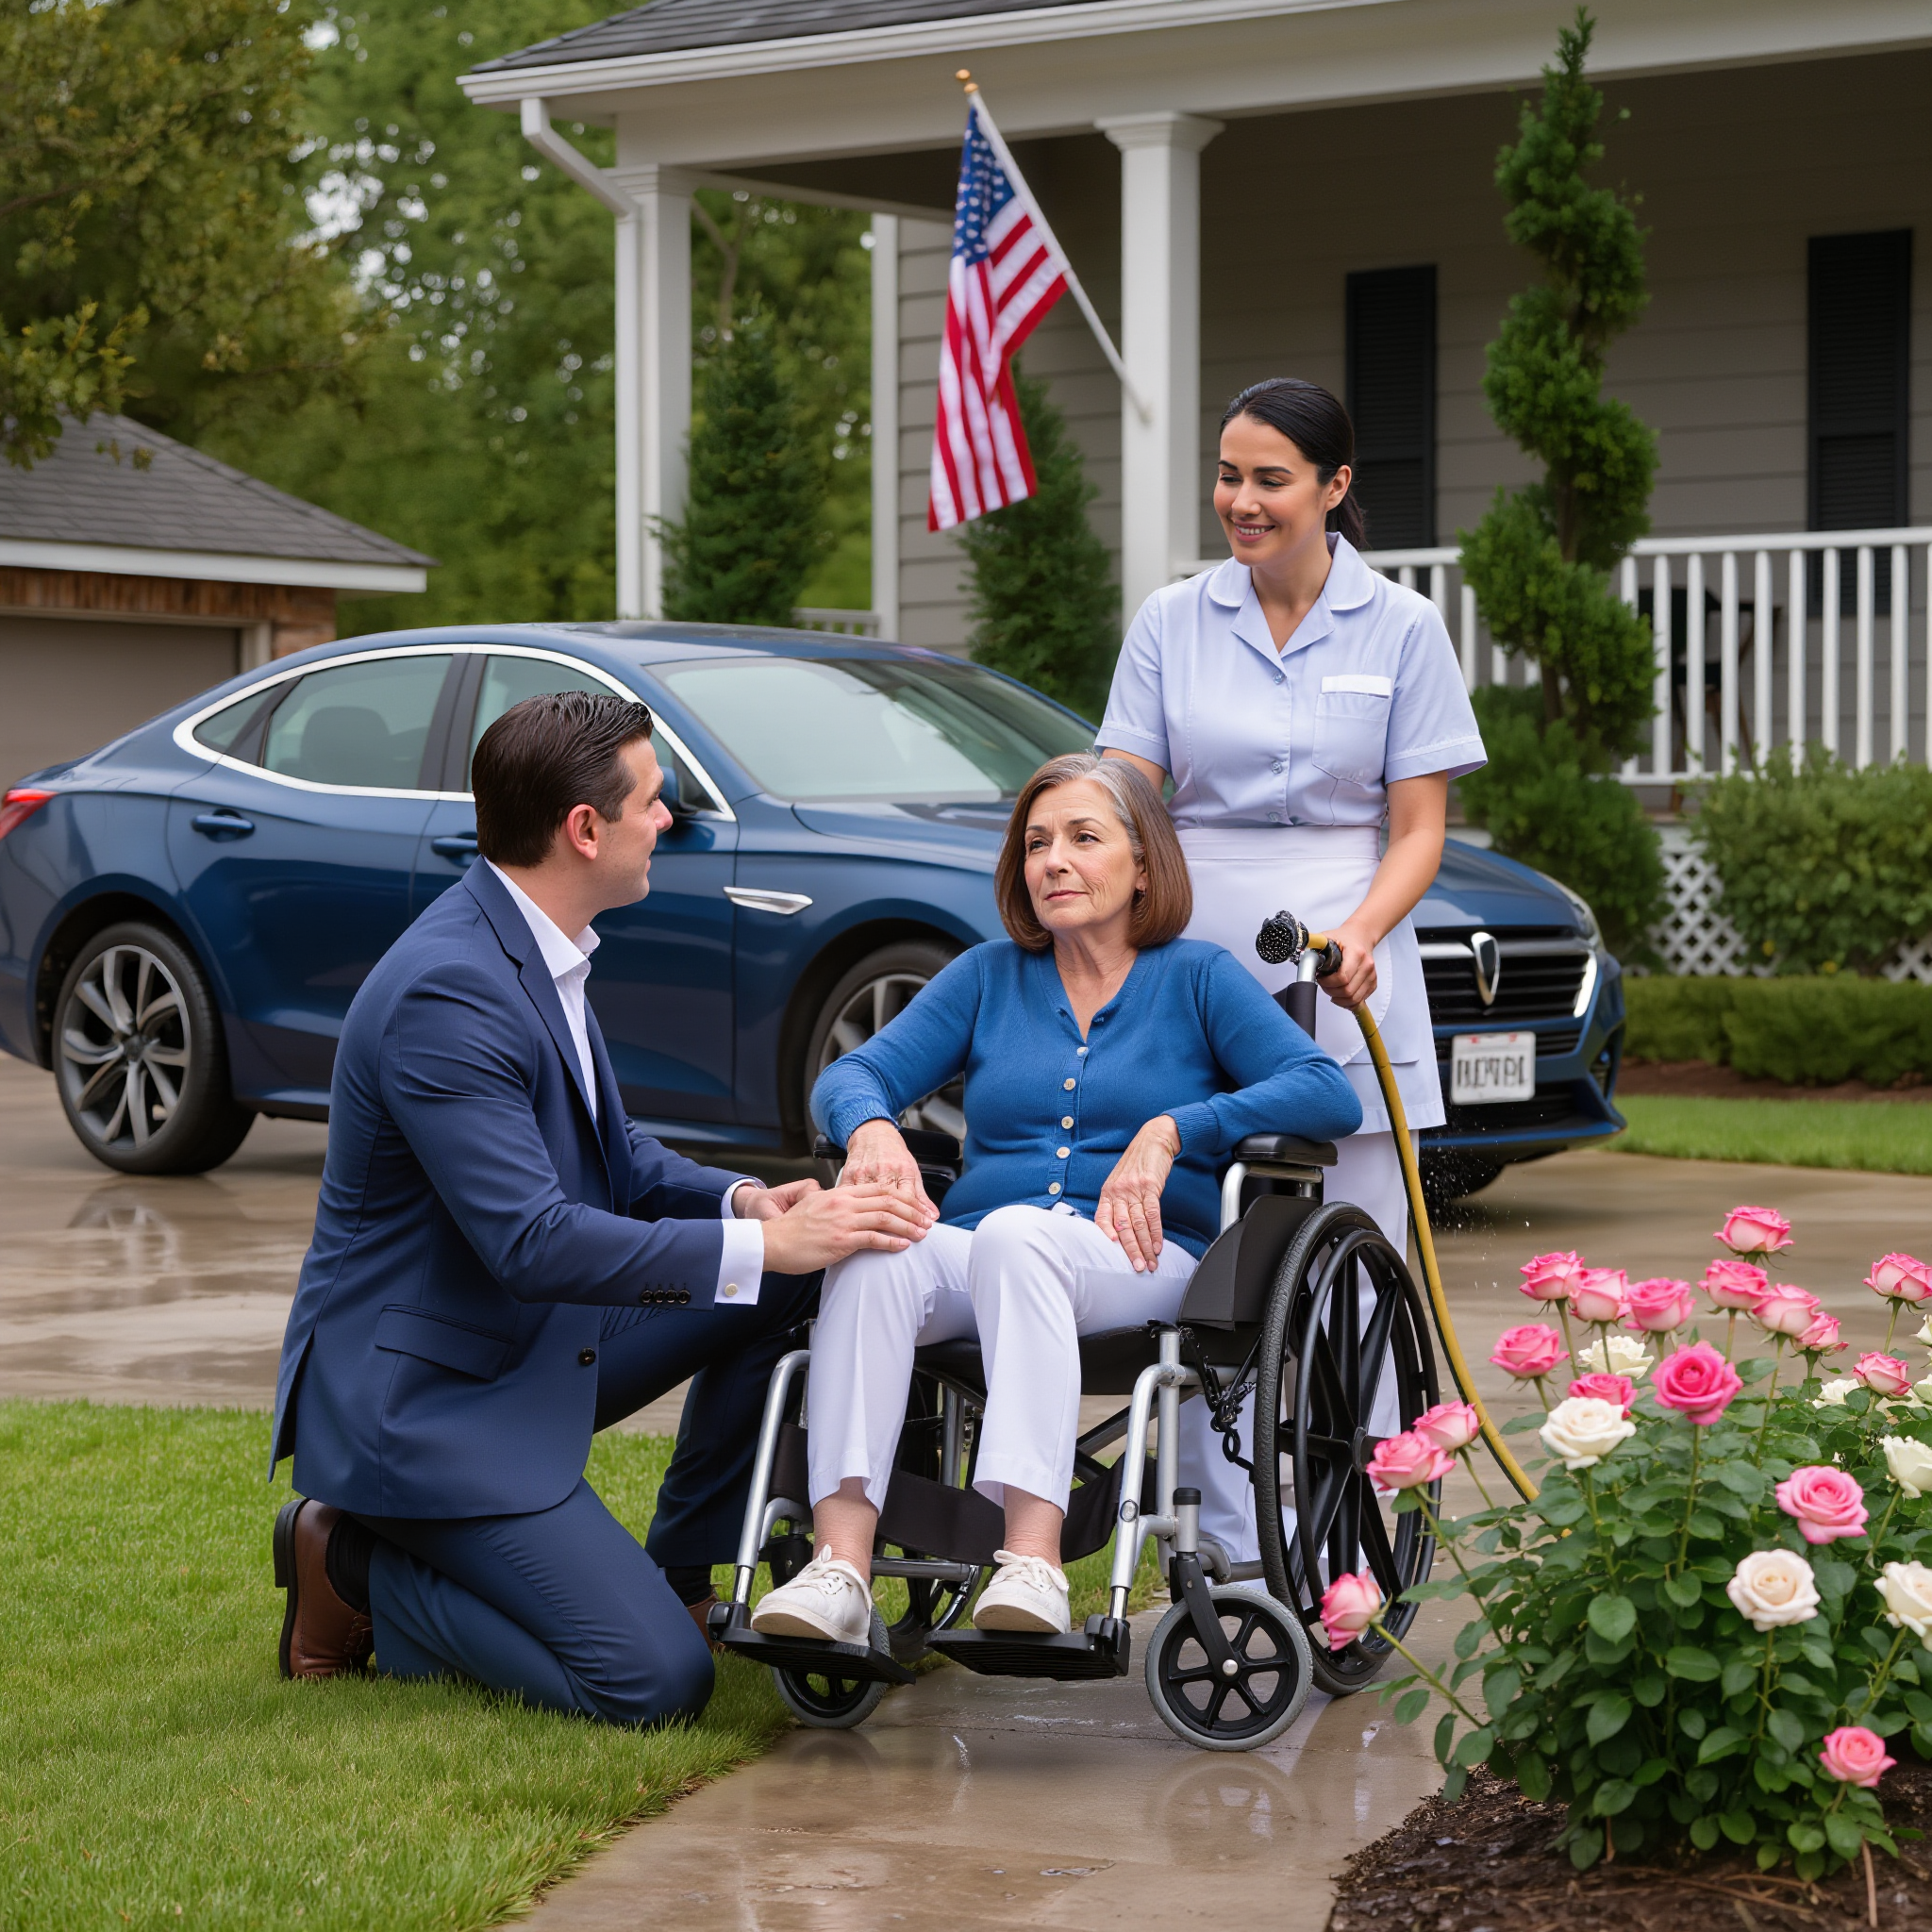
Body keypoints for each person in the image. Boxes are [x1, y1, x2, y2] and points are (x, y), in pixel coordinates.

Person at [268, 691, 931, 1726]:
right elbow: (532, 1241)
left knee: (788, 1270)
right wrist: (752, 1242)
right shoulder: (450, 989)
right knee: (653, 1682)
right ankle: (352, 1562)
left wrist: (749, 1202)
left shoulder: (539, 942)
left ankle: (679, 1566)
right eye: (653, 801)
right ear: (585, 828)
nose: (667, 820)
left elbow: (612, 1153)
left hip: (522, 1342)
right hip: (428, 1403)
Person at [747, 753, 1359, 1642]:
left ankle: (1031, 1562)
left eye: (1083, 838)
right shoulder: (991, 975)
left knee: (1015, 1237)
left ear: (1143, 863)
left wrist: (1175, 1129)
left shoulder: (1197, 976)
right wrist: (870, 1128)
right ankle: (838, 1569)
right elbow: (855, 1073)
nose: (1054, 862)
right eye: (1036, 844)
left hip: (1141, 1260)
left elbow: (1326, 1092)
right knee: (879, 1247)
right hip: (992, 1249)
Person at [1096, 375, 1485, 1562]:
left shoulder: (1402, 626)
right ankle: (1218, 1540)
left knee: (1351, 1266)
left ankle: (1347, 1542)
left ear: (1333, 487)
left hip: (1345, 952)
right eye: (1227, 474)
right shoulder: (1171, 619)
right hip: (1192, 944)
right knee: (1209, 1249)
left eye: (1269, 479)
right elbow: (1123, 794)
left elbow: (1416, 826)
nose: (1240, 500)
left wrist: (1364, 930)